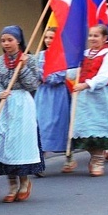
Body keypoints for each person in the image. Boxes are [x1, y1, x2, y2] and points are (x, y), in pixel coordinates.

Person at [0, 25, 44, 202]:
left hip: (21, 105)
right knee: (3, 144)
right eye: (3, 40)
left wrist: (24, 68)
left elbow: (33, 85)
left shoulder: (30, 60)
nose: (6, 43)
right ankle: (11, 185)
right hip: (2, 105)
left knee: (19, 144)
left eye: (10, 40)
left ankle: (24, 182)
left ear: (18, 40)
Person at [64, 24, 108, 176]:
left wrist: (86, 84)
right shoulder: (84, 54)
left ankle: (98, 159)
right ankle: (94, 155)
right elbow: (73, 73)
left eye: (96, 35)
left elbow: (104, 77)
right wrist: (70, 65)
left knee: (99, 129)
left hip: (102, 98)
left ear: (105, 38)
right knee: (83, 129)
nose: (92, 38)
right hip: (84, 99)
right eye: (90, 35)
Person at [35, 27, 71, 158]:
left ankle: (69, 154)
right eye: (46, 37)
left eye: (52, 38)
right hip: (43, 94)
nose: (48, 40)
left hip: (58, 95)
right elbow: (35, 72)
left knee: (58, 123)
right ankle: (40, 156)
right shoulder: (40, 56)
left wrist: (46, 76)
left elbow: (60, 75)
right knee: (40, 123)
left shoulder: (63, 55)